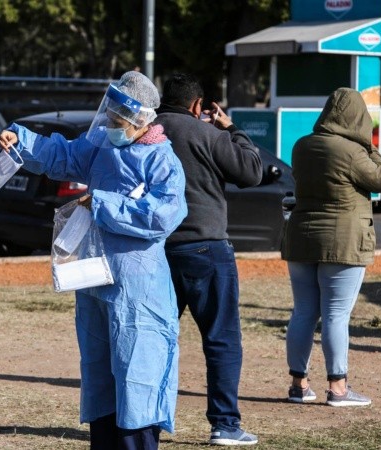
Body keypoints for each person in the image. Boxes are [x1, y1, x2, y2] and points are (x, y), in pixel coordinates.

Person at [0, 71, 187, 449]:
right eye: (110, 117)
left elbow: (164, 215)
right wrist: (22, 140)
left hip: (139, 288)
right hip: (96, 277)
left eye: (119, 120)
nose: (111, 125)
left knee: (138, 379)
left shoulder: (163, 160)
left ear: (142, 120)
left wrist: (102, 202)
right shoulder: (103, 144)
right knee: (100, 378)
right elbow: (64, 155)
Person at [154, 73, 262, 446]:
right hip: (206, 247)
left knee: (157, 338)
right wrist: (232, 129)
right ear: (198, 106)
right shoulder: (208, 134)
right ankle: (225, 424)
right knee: (221, 339)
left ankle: (147, 419)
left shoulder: (147, 131)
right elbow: (251, 171)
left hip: (157, 251)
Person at [281, 87, 381, 407]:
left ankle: (298, 385)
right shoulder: (354, 152)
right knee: (336, 315)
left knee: (303, 312)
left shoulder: (302, 146)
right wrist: (370, 146)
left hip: (301, 236)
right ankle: (338, 388)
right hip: (343, 242)